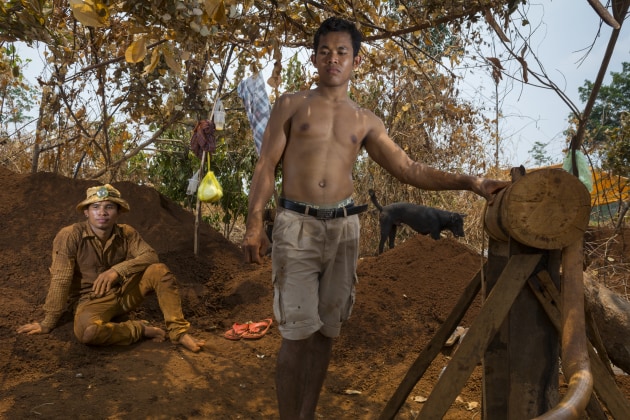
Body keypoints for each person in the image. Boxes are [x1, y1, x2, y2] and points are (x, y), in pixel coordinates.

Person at [241, 16, 509, 419]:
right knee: (296, 335)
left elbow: (409, 169)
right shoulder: (292, 104)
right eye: (325, 51)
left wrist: (471, 181)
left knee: (326, 334)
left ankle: (307, 414)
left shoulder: (365, 120)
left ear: (356, 61)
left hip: (345, 230)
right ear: (314, 58)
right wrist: (253, 223)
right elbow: (266, 165)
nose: (333, 59)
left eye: (342, 52)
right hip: (297, 226)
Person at [17, 184, 205, 353]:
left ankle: (179, 332)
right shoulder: (69, 235)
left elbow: (150, 256)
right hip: (90, 301)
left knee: (159, 270)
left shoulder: (126, 233)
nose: (102, 212)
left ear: (118, 212)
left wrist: (117, 271)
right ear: (86, 212)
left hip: (123, 294)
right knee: (88, 333)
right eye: (96, 207)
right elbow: (61, 280)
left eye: (109, 207)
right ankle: (140, 329)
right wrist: (47, 323)